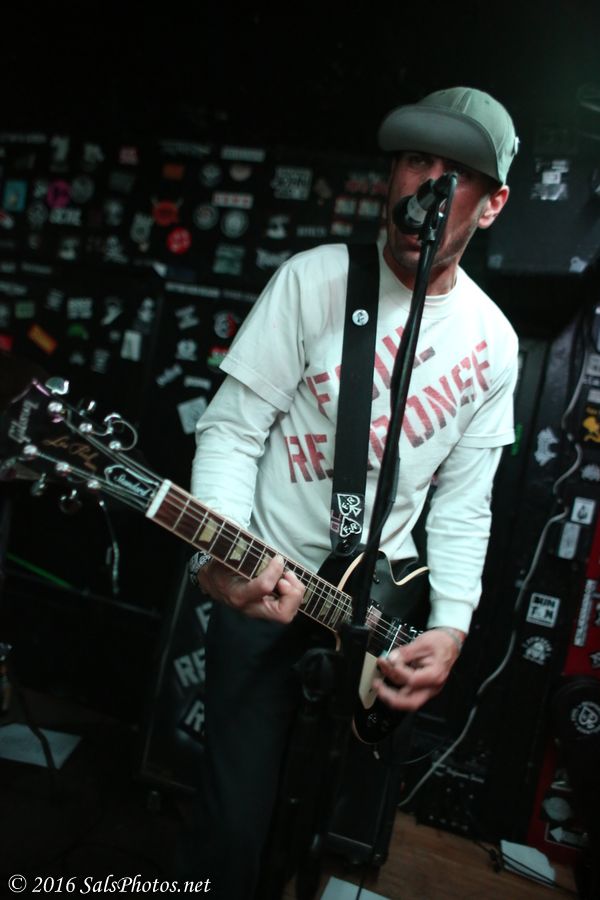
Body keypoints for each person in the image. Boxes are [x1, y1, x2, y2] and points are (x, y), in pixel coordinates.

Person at [187, 86, 520, 898]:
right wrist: (219, 554)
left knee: (320, 827)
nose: (425, 186)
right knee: (233, 827)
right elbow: (231, 431)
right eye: (414, 160)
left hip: (375, 616)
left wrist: (451, 625)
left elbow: (464, 503)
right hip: (266, 591)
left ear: (492, 205)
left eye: (454, 173)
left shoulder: (494, 342)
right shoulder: (316, 281)